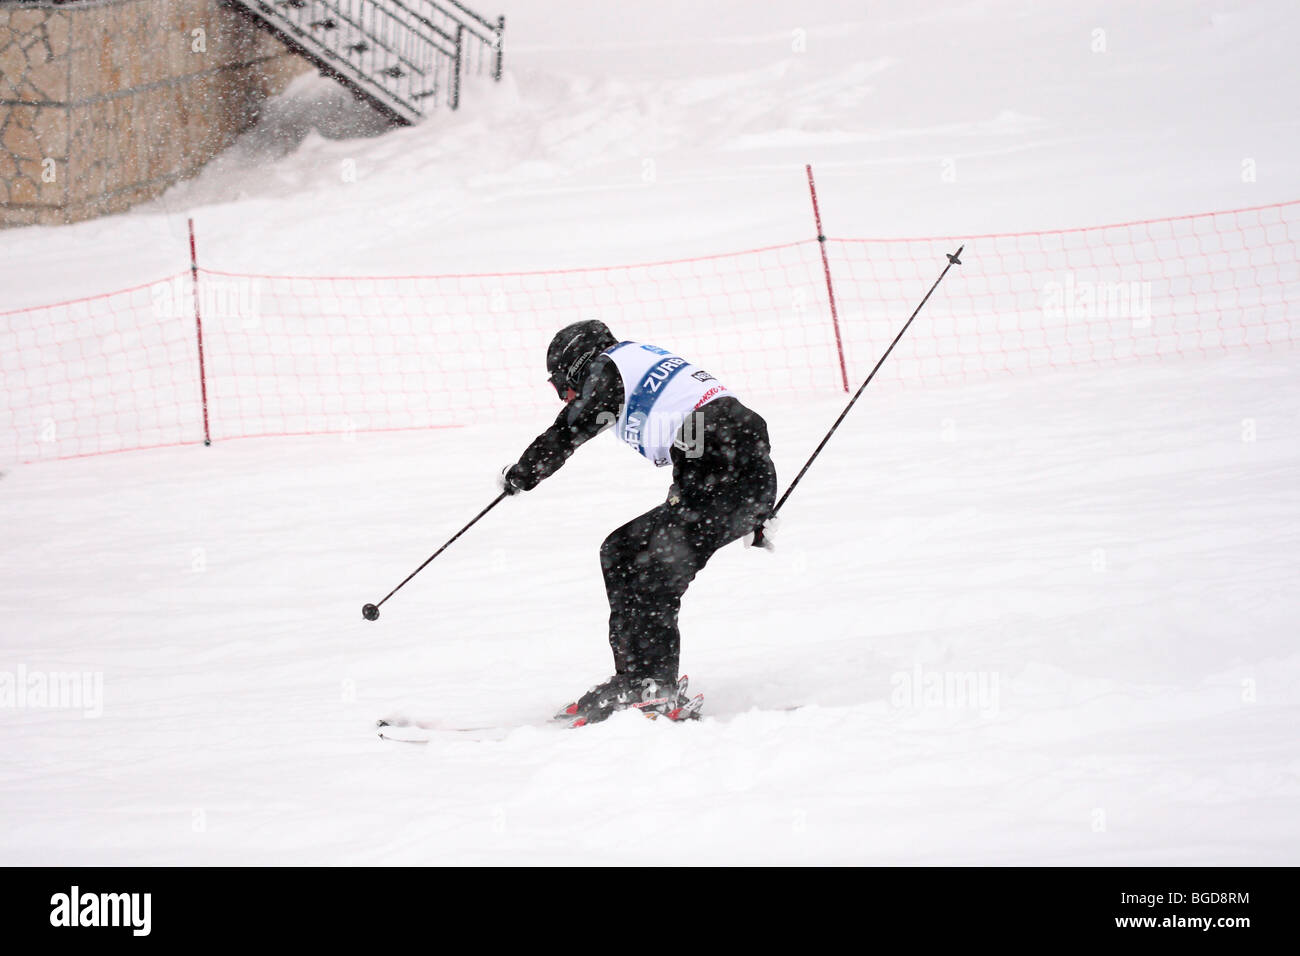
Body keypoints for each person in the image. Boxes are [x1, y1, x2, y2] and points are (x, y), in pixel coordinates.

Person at [500, 319, 778, 726]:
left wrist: (524, 473)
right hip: (727, 471)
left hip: (723, 471)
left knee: (655, 565)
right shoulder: (633, 364)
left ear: (578, 362)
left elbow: (573, 426)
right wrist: (749, 502)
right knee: (623, 549)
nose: (566, 396)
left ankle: (654, 688)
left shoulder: (609, 367)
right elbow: (729, 426)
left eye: (563, 385)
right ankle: (635, 679)